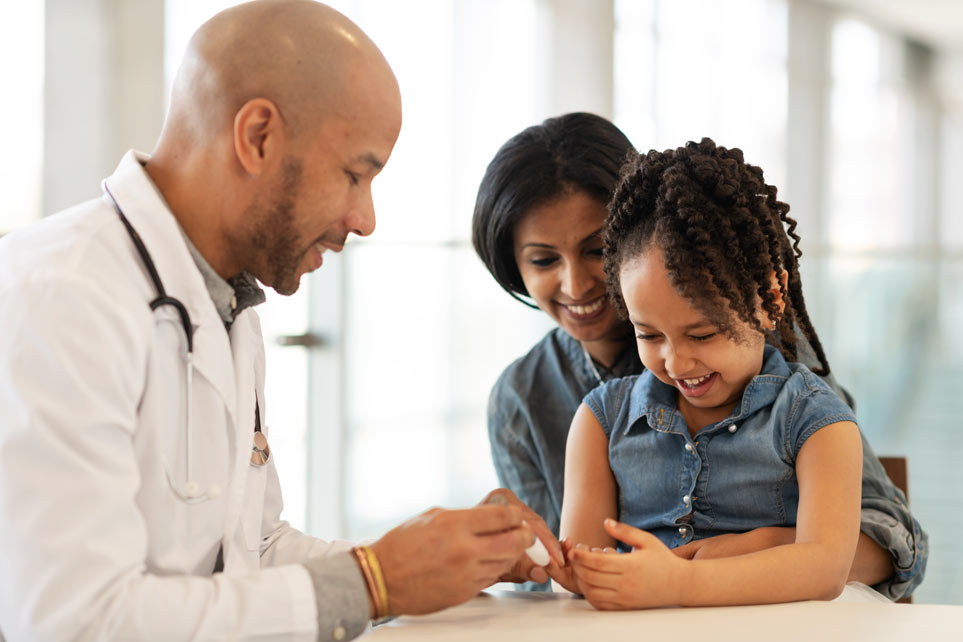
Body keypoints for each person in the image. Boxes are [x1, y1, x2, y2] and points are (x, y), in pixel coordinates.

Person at [0, 2, 559, 641]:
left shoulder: (227, 304)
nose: (365, 218)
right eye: (355, 174)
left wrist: (444, 559)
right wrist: (375, 581)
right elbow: (71, 621)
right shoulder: (60, 295)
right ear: (258, 135)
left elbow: (250, 550)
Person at [471, 113, 926, 599]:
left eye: (596, 250)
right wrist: (522, 551)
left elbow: (885, 541)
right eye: (543, 260)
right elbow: (563, 584)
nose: (578, 284)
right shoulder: (533, 402)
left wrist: (762, 549)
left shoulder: (767, 350)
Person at [551, 138, 881, 607]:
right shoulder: (601, 421)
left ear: (771, 299)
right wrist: (541, 557)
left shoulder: (816, 421)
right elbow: (586, 565)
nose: (676, 362)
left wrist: (678, 585)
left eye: (703, 335)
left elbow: (824, 567)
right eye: (648, 335)